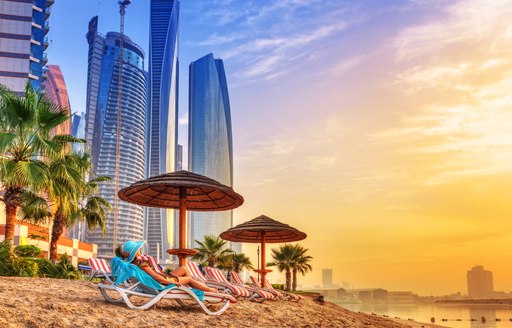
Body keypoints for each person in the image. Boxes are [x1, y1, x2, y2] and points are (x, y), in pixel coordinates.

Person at [115, 240, 217, 293]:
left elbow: (155, 276)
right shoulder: (142, 264)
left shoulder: (133, 264)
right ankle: (208, 290)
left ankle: (191, 287)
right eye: (138, 249)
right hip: (162, 283)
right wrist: (170, 282)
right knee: (189, 279)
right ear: (136, 252)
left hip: (162, 277)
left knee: (183, 268)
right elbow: (155, 277)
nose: (139, 250)